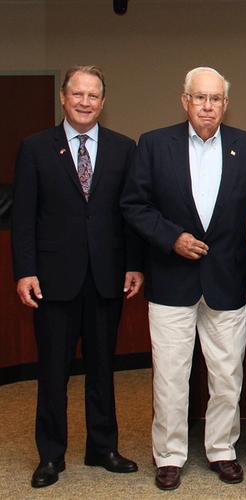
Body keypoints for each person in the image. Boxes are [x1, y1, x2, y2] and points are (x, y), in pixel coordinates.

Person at [120, 67, 246, 490]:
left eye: (216, 99)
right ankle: (169, 454)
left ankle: (222, 449)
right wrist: (172, 238)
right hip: (171, 279)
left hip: (229, 281)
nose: (208, 106)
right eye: (200, 98)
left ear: (226, 103)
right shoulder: (152, 144)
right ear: (184, 101)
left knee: (227, 375)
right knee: (169, 375)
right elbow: (134, 204)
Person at [11, 65, 143, 488]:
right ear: (63, 98)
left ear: (103, 102)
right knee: (53, 371)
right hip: (53, 278)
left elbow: (132, 213)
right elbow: (24, 218)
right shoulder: (35, 148)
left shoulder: (125, 148)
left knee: (104, 368)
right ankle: (51, 456)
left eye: (93, 96)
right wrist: (25, 271)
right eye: (78, 94)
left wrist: (134, 263)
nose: (85, 102)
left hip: (107, 277)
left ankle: (102, 448)